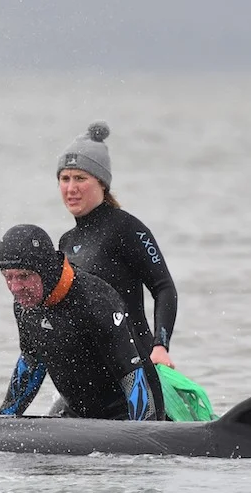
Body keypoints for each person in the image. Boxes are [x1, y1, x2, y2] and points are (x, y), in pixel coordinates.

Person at [0, 223, 164, 421]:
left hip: (126, 416)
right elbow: (32, 363)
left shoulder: (95, 300)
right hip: (76, 416)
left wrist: (144, 434)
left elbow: (132, 377)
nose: (15, 288)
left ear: (46, 270)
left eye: (24, 276)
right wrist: (3, 422)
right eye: (8, 277)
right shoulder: (25, 306)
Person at [55, 121, 178, 368]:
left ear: (101, 182)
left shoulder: (126, 228)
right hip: (93, 373)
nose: (71, 188)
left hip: (135, 365)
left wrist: (160, 346)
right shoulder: (66, 242)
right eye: (64, 178)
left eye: (80, 178)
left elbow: (164, 287)